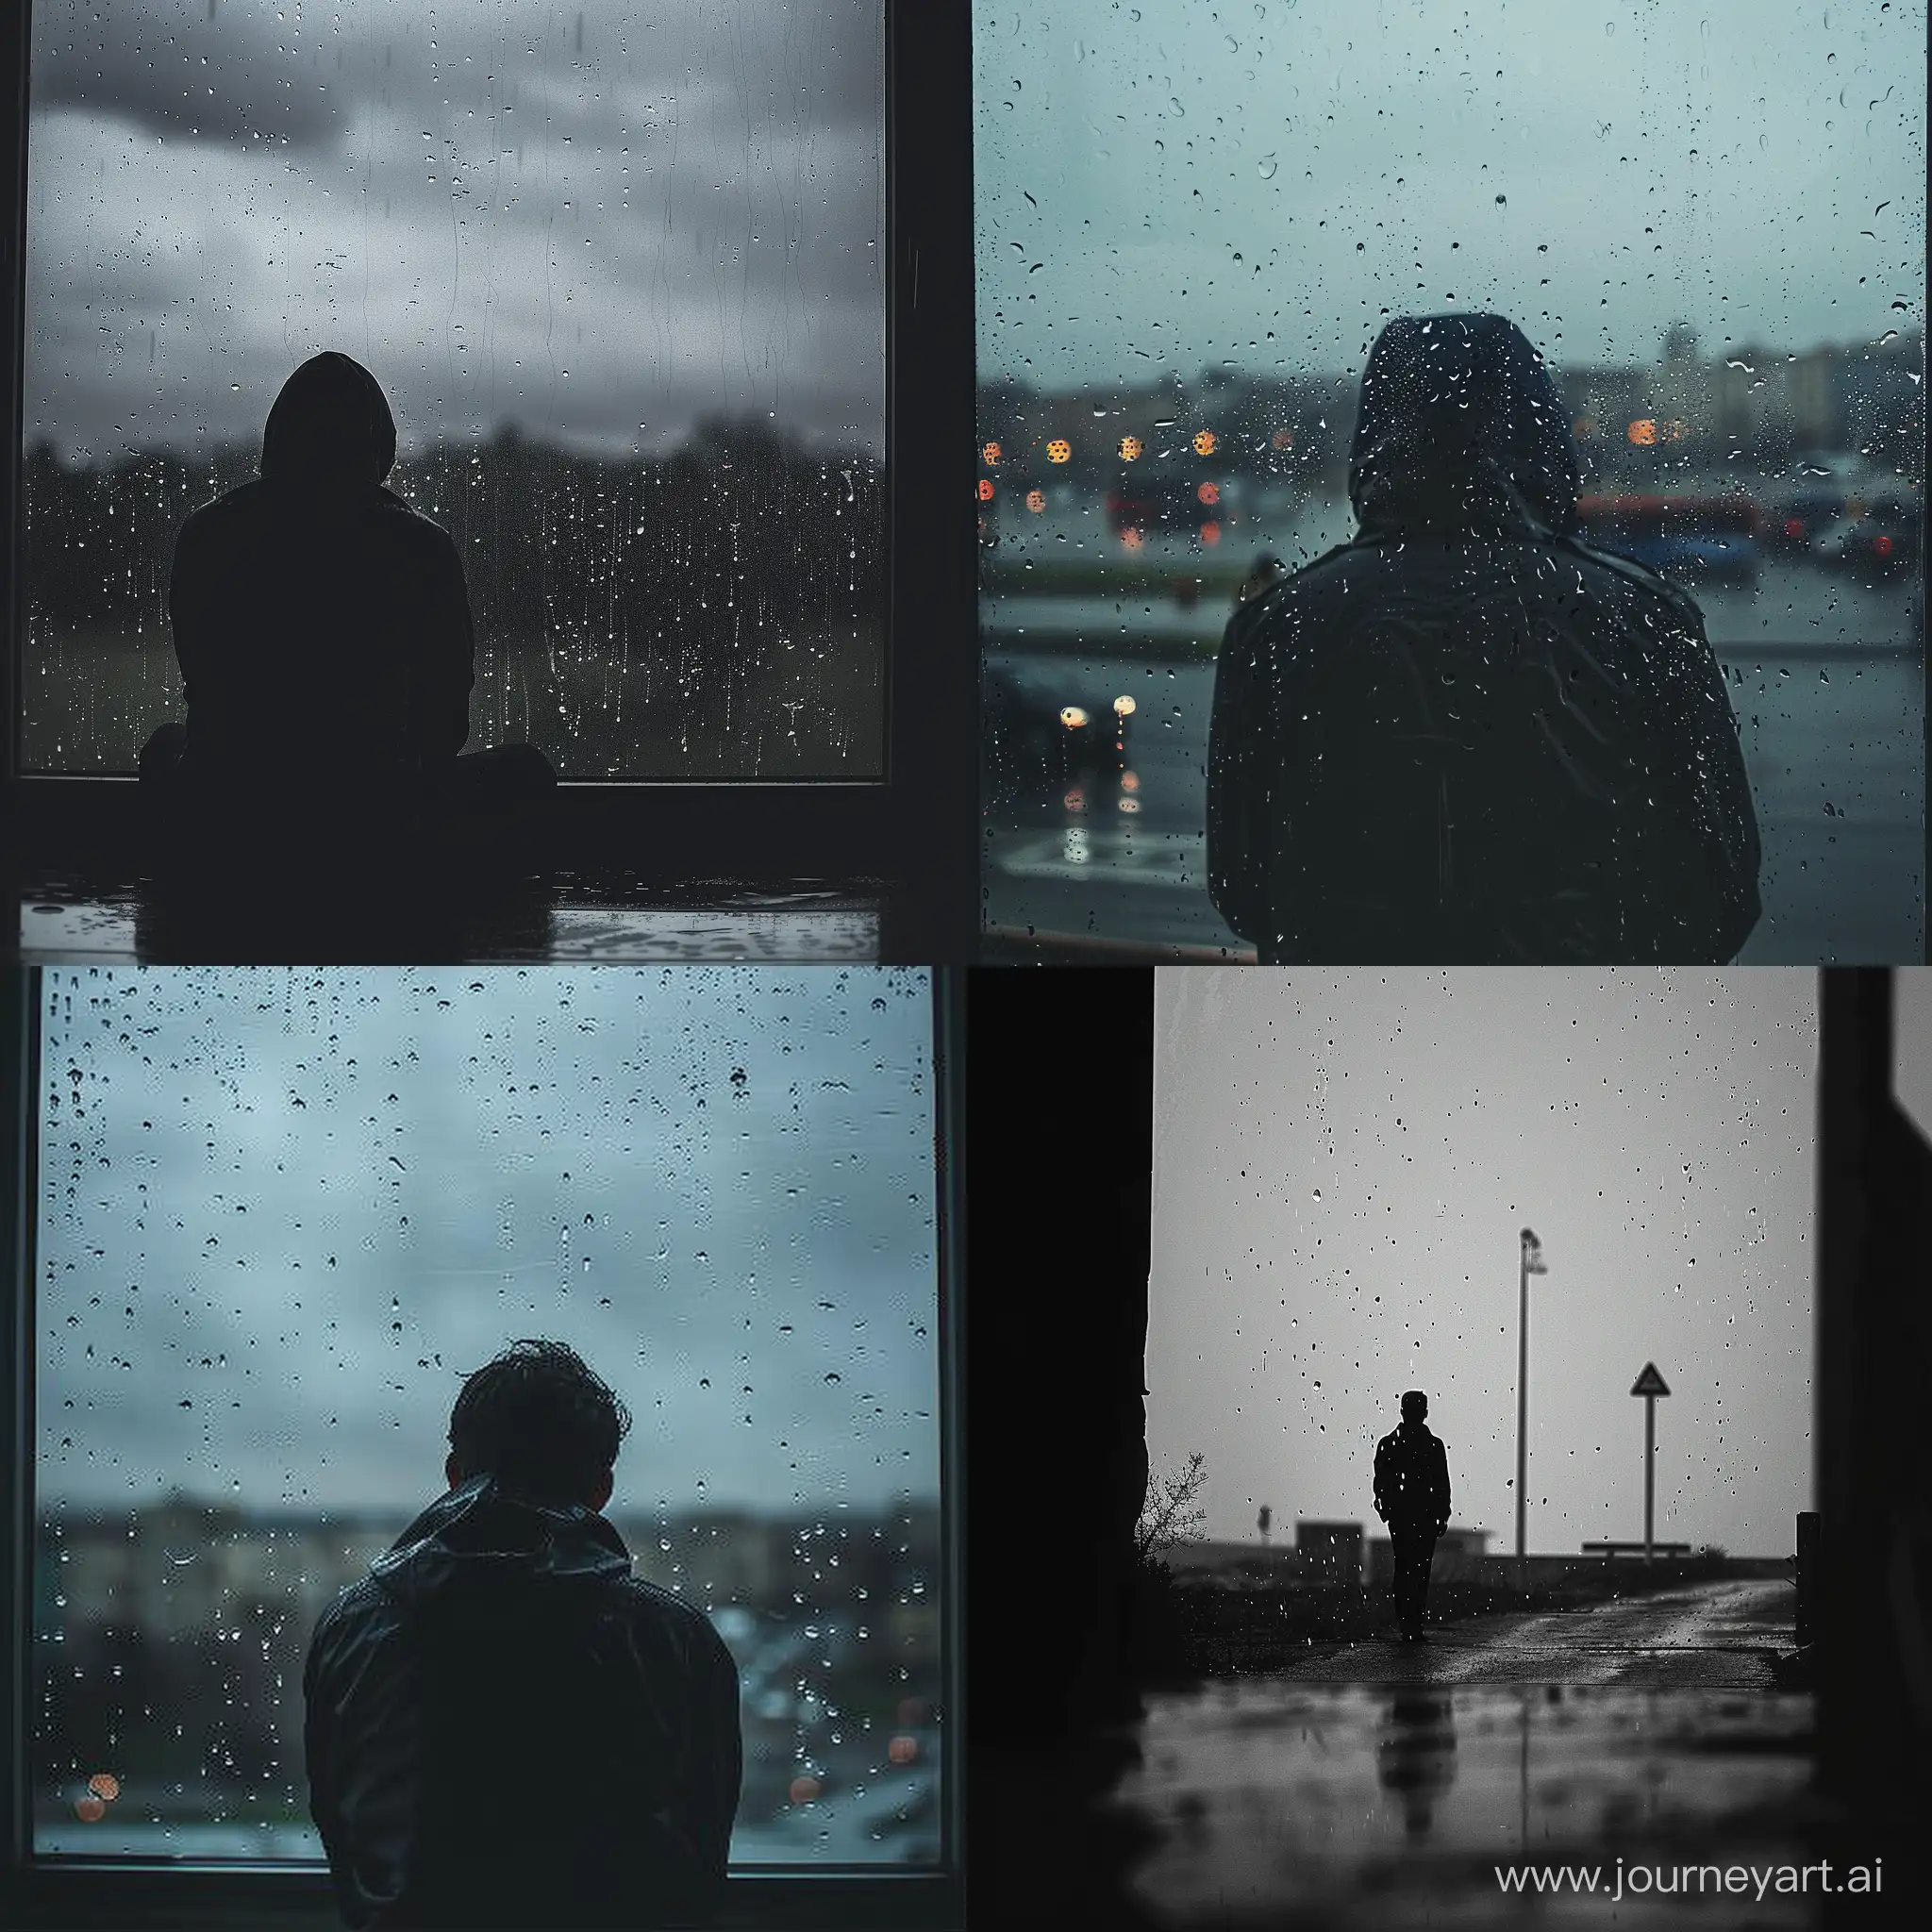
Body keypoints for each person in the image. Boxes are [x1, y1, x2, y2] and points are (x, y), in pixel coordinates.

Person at [1208, 311, 1761, 963]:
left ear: (1376, 437)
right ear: (1541, 432)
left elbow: (1243, 886)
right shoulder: (1644, 621)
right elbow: (1719, 894)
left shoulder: (1281, 628)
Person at [303, 1340, 742, 1930]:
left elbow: (348, 1843)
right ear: (600, 1489)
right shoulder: (675, 1641)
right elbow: (697, 1868)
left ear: (454, 1475)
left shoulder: (351, 1629)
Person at [141, 351, 555, 845]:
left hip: (227, 813)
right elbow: (445, 724)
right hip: (378, 821)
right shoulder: (421, 544)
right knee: (526, 771)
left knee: (166, 743)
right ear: (381, 448)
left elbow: (204, 685)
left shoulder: (209, 531)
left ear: (276, 441)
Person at [1374, 1391, 1451, 1643]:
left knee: (1404, 1568)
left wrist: (1386, 1509)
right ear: (1425, 1413)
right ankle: (1413, 1624)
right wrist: (1441, 1514)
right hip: (1424, 1517)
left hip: (1401, 1517)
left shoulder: (1389, 1444)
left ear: (1402, 1411)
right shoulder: (1433, 1446)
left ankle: (1407, 1623)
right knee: (1419, 1570)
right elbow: (1442, 1485)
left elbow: (1381, 1483)